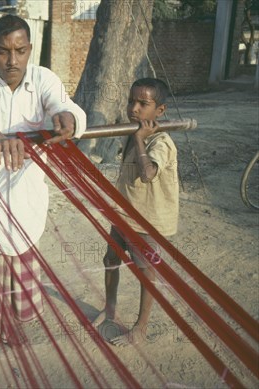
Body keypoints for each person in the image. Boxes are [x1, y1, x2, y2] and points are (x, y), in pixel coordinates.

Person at [0, 14, 86, 349]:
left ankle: (15, 327)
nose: (12, 60)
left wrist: (67, 117)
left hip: (26, 196)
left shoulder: (44, 78)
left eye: (20, 50)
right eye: (3, 51)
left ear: (31, 49)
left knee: (19, 265)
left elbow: (64, 105)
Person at [92, 78, 178, 347]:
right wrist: (136, 136)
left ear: (160, 111)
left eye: (143, 104)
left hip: (147, 221)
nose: (135, 108)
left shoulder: (162, 142)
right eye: (131, 101)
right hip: (124, 213)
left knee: (145, 272)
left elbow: (148, 173)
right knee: (111, 260)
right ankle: (110, 309)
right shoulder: (133, 133)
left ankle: (140, 328)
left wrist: (140, 139)